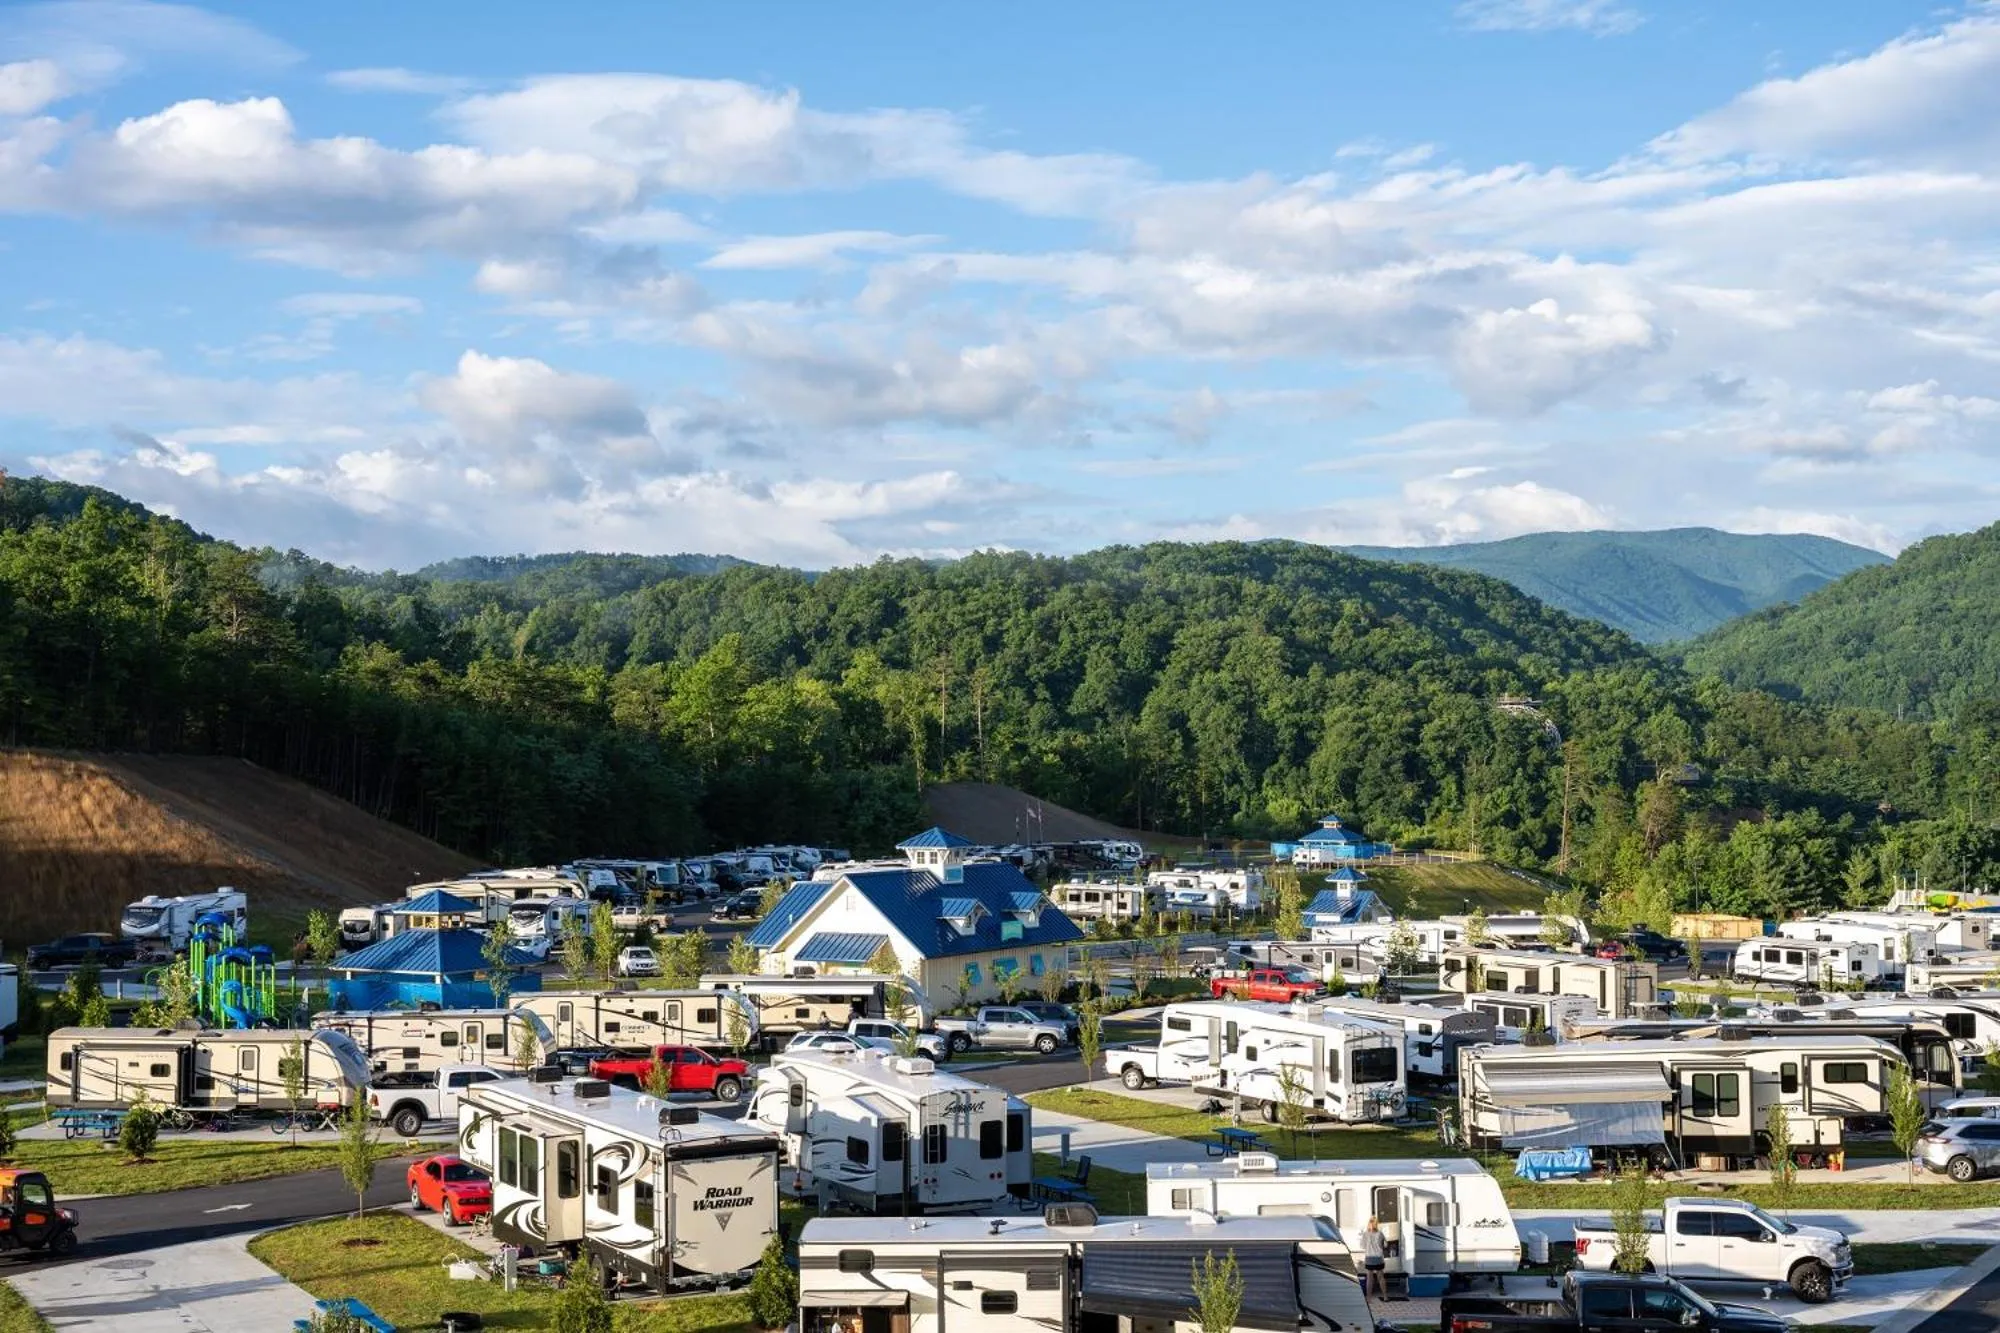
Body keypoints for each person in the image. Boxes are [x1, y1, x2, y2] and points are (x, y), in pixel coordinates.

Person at [1361, 1216, 1389, 1301]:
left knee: (1369, 1279)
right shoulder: (1380, 1233)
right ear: (1376, 1224)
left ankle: (1368, 1298)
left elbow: (1362, 1246)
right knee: (1381, 1277)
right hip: (1378, 1258)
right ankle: (1385, 1296)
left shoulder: (1365, 1234)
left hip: (1369, 1258)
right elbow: (1385, 1245)